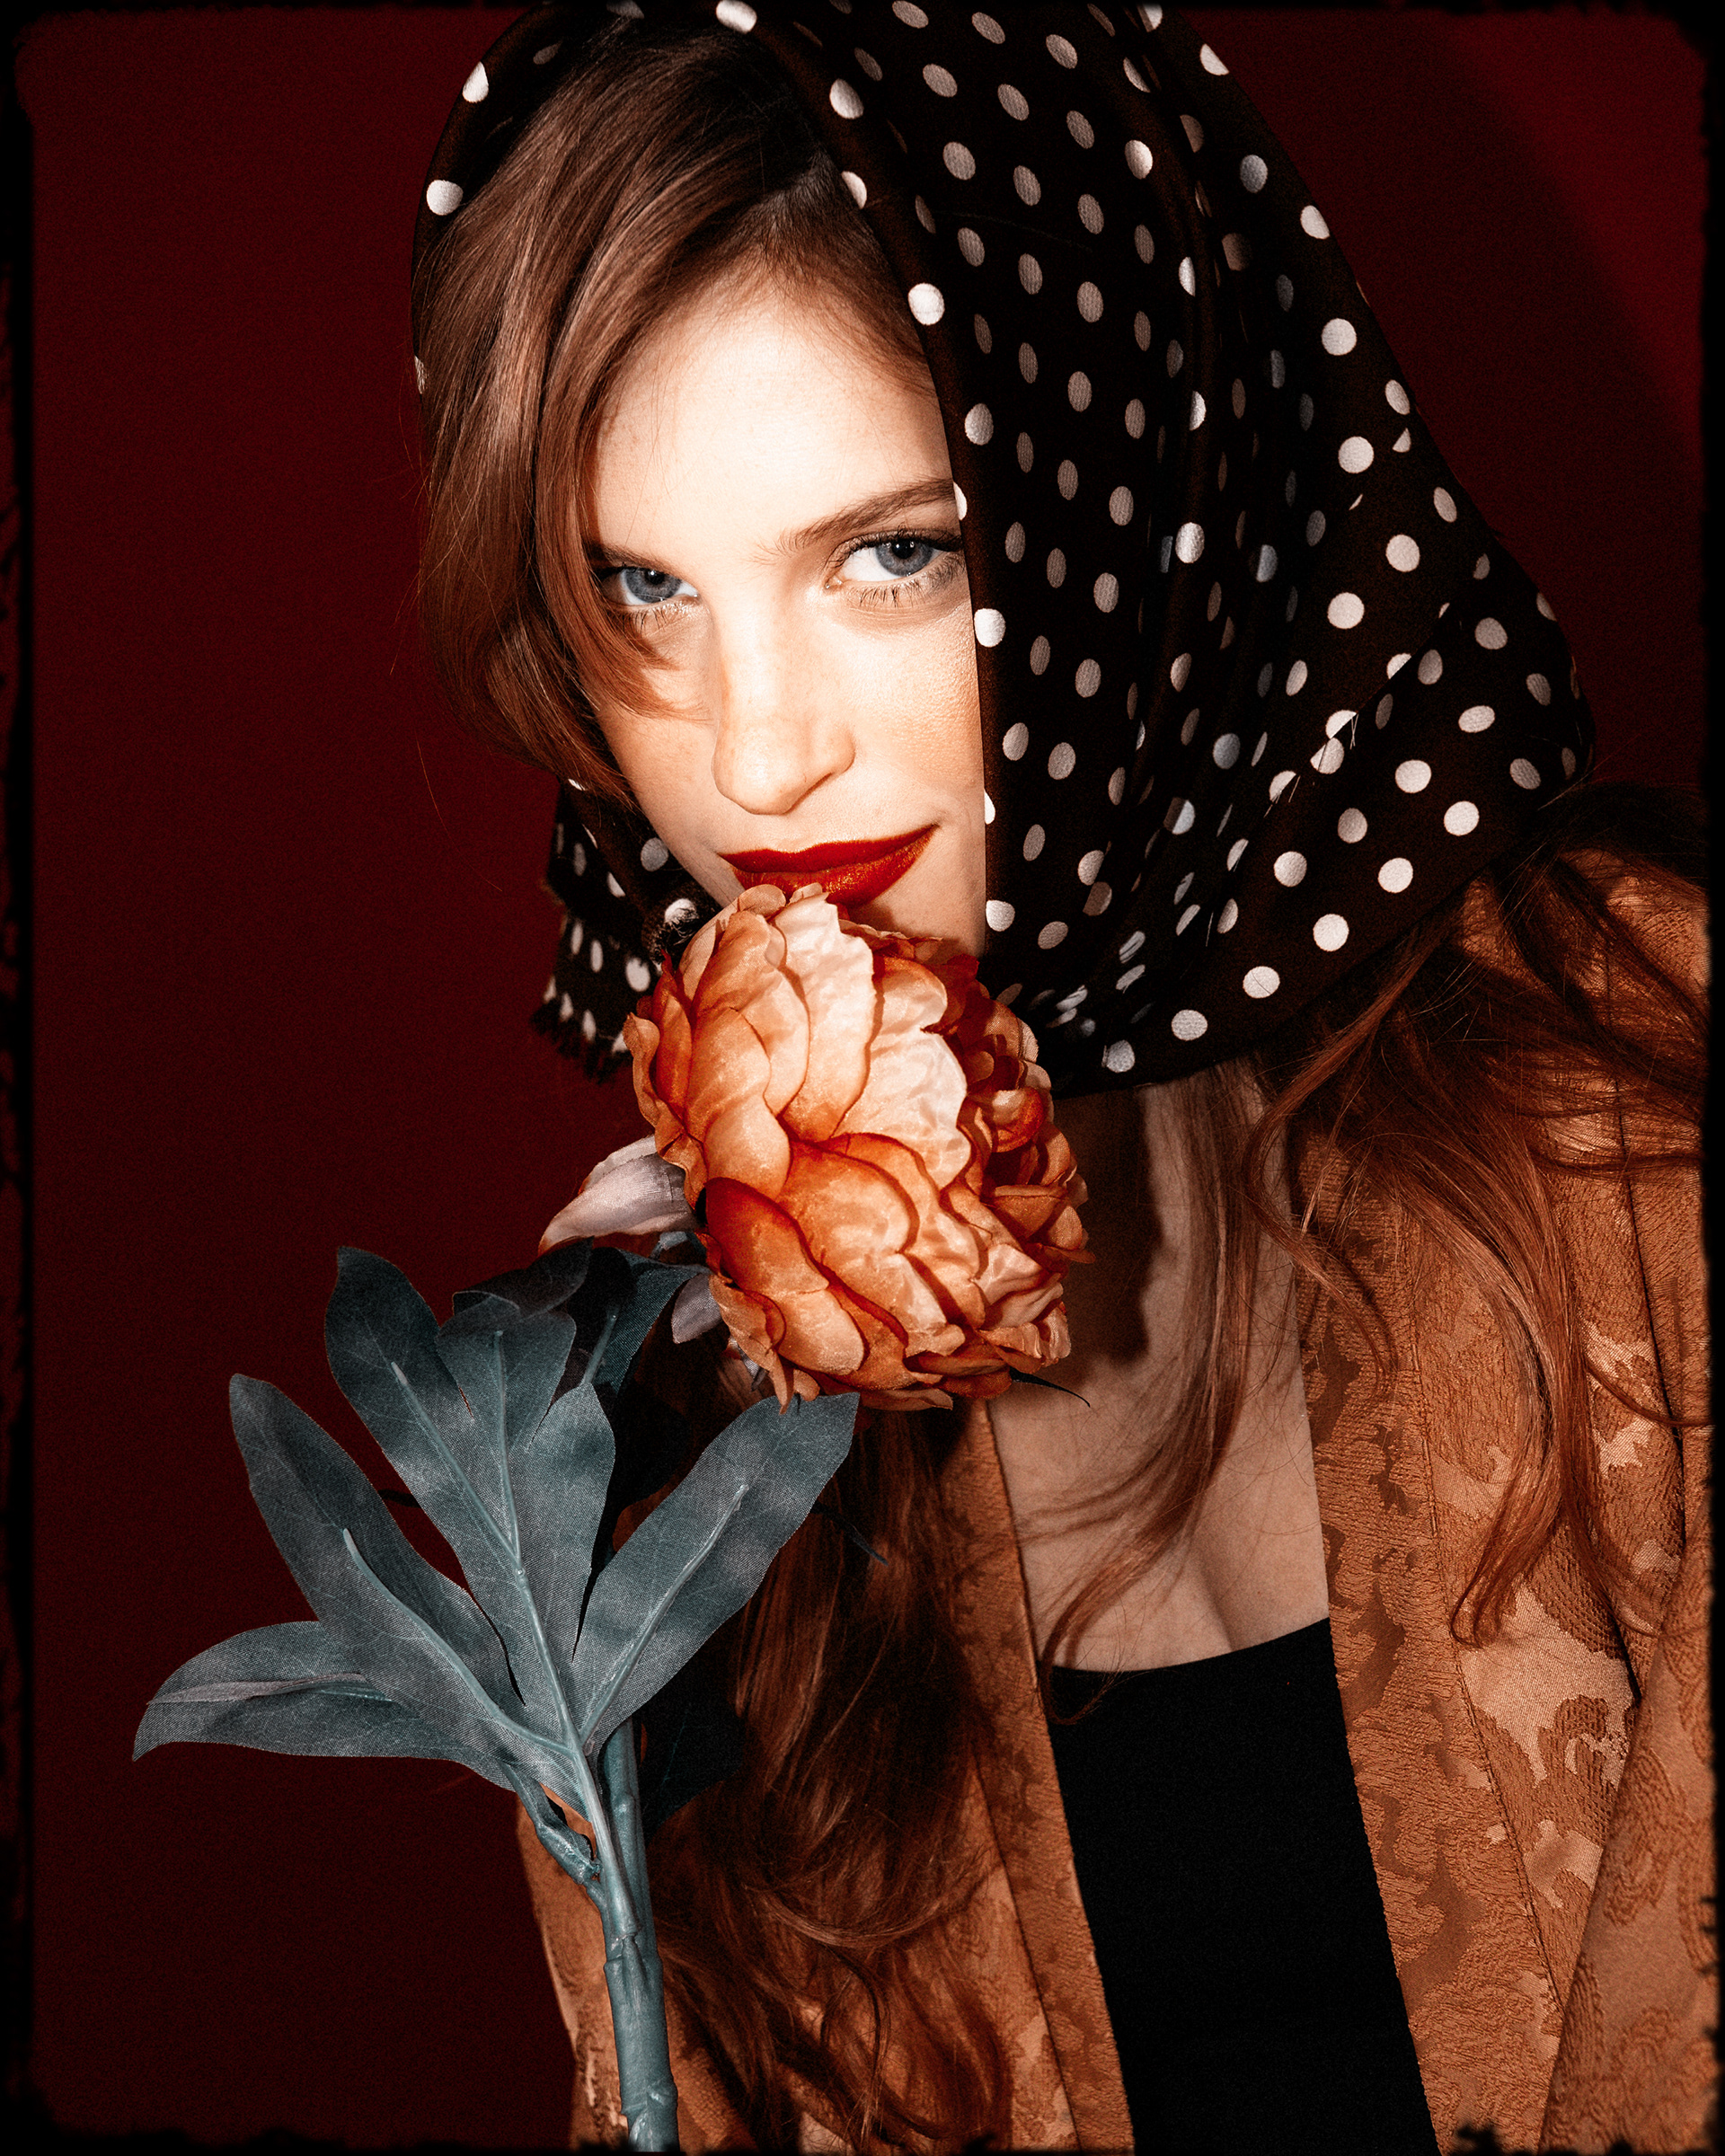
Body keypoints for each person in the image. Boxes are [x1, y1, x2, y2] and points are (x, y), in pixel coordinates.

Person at [409, 4, 1710, 2149]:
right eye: (645, 591)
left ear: (1142, 503)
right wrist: (594, 1552)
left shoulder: (1629, 1064)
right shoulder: (668, 1401)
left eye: (892, 554)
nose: (753, 758)